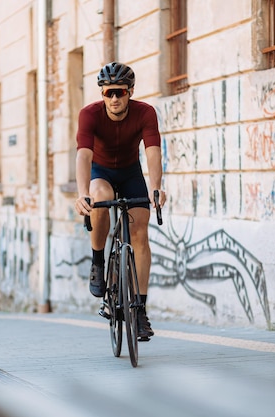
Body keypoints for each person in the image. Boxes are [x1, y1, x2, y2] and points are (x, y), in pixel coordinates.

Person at [74, 61, 166, 340]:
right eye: (108, 93)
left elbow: (152, 151)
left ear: (130, 92)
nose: (114, 98)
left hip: (130, 174)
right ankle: (98, 260)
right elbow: (83, 155)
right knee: (100, 195)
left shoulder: (145, 112)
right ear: (102, 94)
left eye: (120, 93)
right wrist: (82, 193)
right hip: (100, 173)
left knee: (139, 235)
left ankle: (139, 311)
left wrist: (156, 187)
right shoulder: (89, 114)